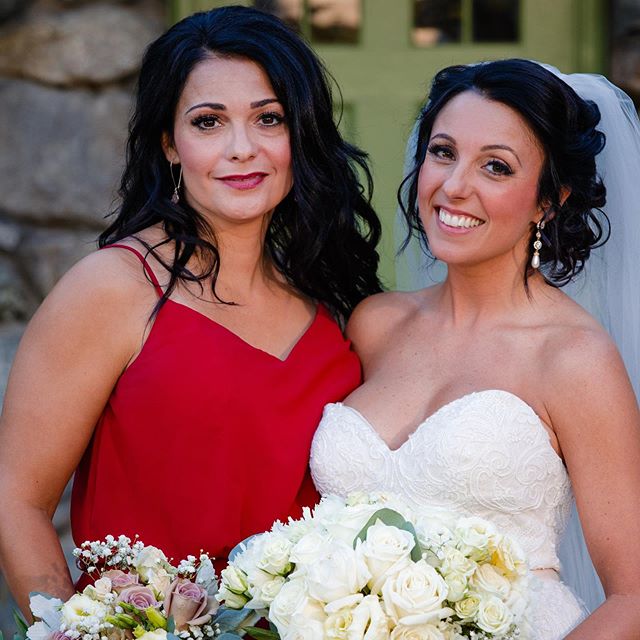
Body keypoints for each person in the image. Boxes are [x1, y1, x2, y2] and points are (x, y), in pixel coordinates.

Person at [0, 5, 382, 615]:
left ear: (299, 135)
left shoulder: (334, 308)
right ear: (169, 145)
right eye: (208, 122)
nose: (241, 148)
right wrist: (74, 631)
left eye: (269, 119)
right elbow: (14, 499)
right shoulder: (114, 289)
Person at [310, 59, 640, 638]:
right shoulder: (374, 325)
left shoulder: (573, 358)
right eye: (442, 152)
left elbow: (635, 596)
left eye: (495, 166)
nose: (454, 185)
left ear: (549, 199)